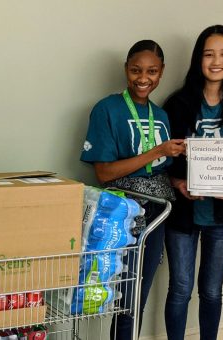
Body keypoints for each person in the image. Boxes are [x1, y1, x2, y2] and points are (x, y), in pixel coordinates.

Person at [80, 40, 184, 340]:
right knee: (120, 297)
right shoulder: (107, 109)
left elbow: (160, 170)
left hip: (158, 213)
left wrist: (178, 183)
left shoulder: (161, 115)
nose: (143, 78)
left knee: (138, 295)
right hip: (122, 213)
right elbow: (104, 173)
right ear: (126, 69)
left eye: (152, 71)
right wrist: (156, 151)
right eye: (136, 70)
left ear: (162, 72)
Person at [162, 25, 223, 340]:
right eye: (209, 53)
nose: (216, 61)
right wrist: (178, 182)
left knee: (212, 291)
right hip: (183, 212)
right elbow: (164, 159)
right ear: (198, 59)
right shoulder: (177, 103)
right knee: (179, 288)